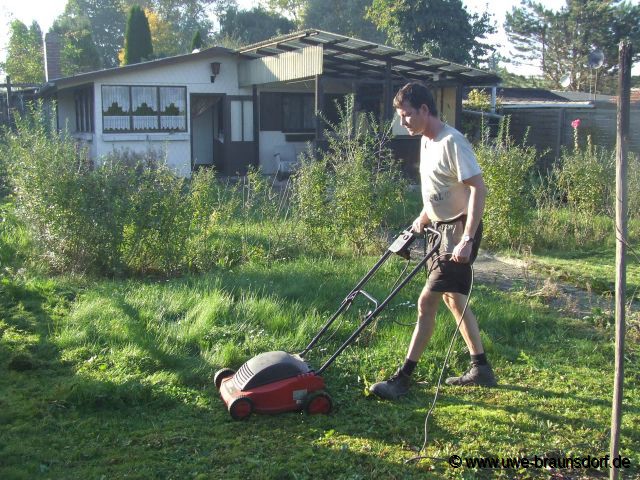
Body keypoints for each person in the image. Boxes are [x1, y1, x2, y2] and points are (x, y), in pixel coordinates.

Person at [370, 82, 497, 400]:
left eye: (407, 115)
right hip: (437, 230)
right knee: (453, 299)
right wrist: (422, 220)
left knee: (426, 302)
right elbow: (439, 190)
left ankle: (402, 378)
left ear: (424, 110)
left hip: (457, 233)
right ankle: (481, 368)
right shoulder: (426, 141)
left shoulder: (452, 141)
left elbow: (477, 189)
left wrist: (467, 238)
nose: (403, 122)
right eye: (400, 116)